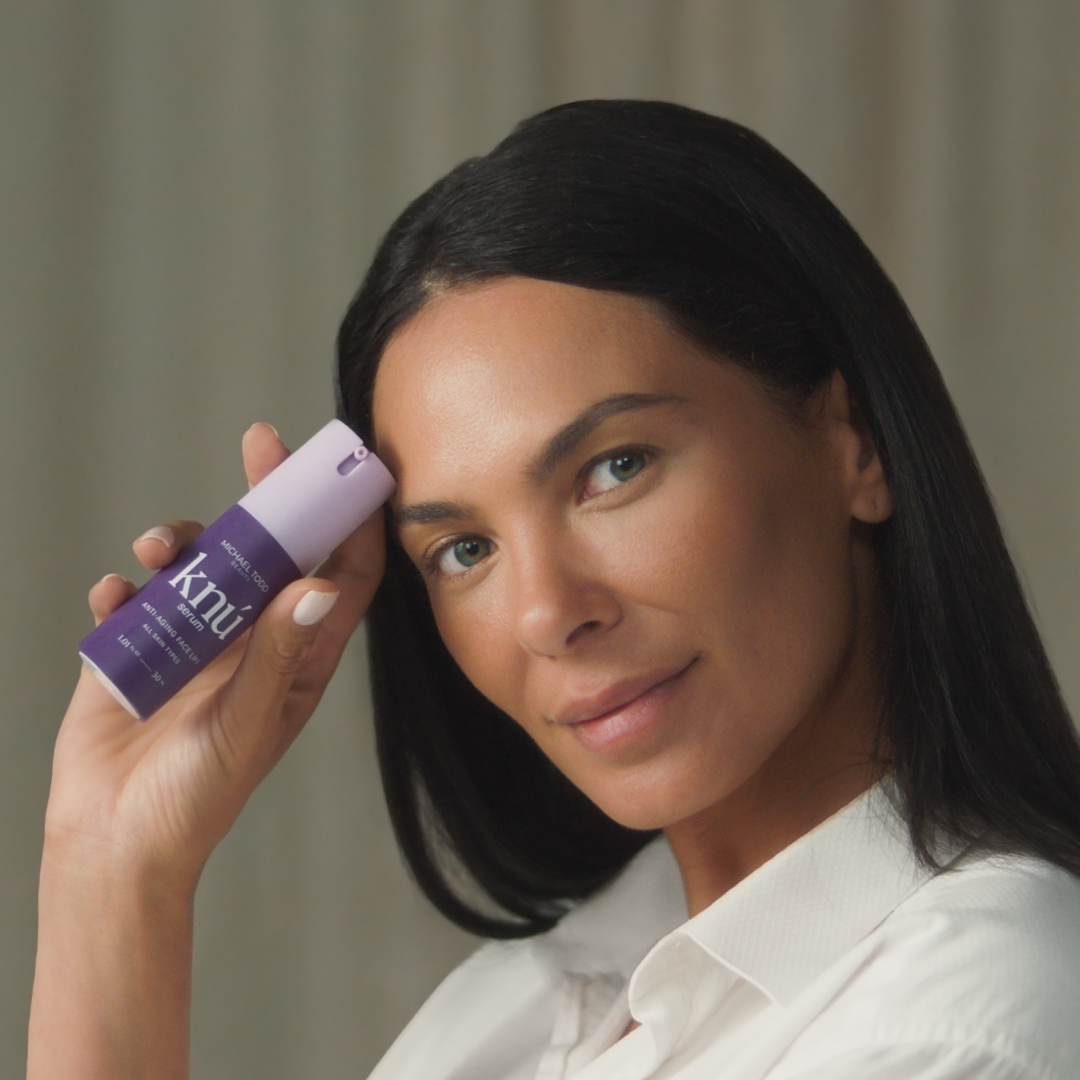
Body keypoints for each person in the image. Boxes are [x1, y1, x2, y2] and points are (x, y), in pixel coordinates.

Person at [28, 100, 1080, 1080]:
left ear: (853, 441)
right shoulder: (534, 1004)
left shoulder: (964, 1019)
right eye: (463, 550)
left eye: (613, 470)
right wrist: (115, 867)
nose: (545, 614)